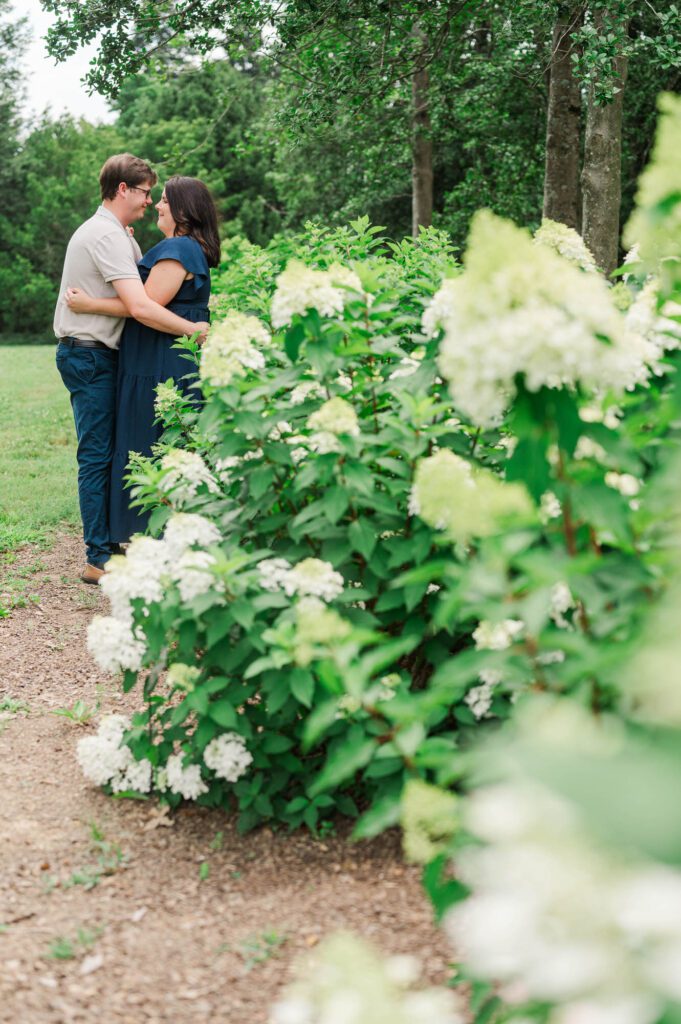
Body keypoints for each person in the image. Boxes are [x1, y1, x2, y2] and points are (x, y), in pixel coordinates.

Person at [54, 154, 209, 586]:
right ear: (123, 189)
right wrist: (195, 330)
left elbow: (142, 292)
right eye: (144, 193)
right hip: (89, 352)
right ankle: (98, 556)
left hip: (100, 353)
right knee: (98, 455)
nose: (149, 203)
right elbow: (142, 306)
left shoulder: (118, 235)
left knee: (107, 451)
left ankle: (109, 544)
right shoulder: (105, 235)